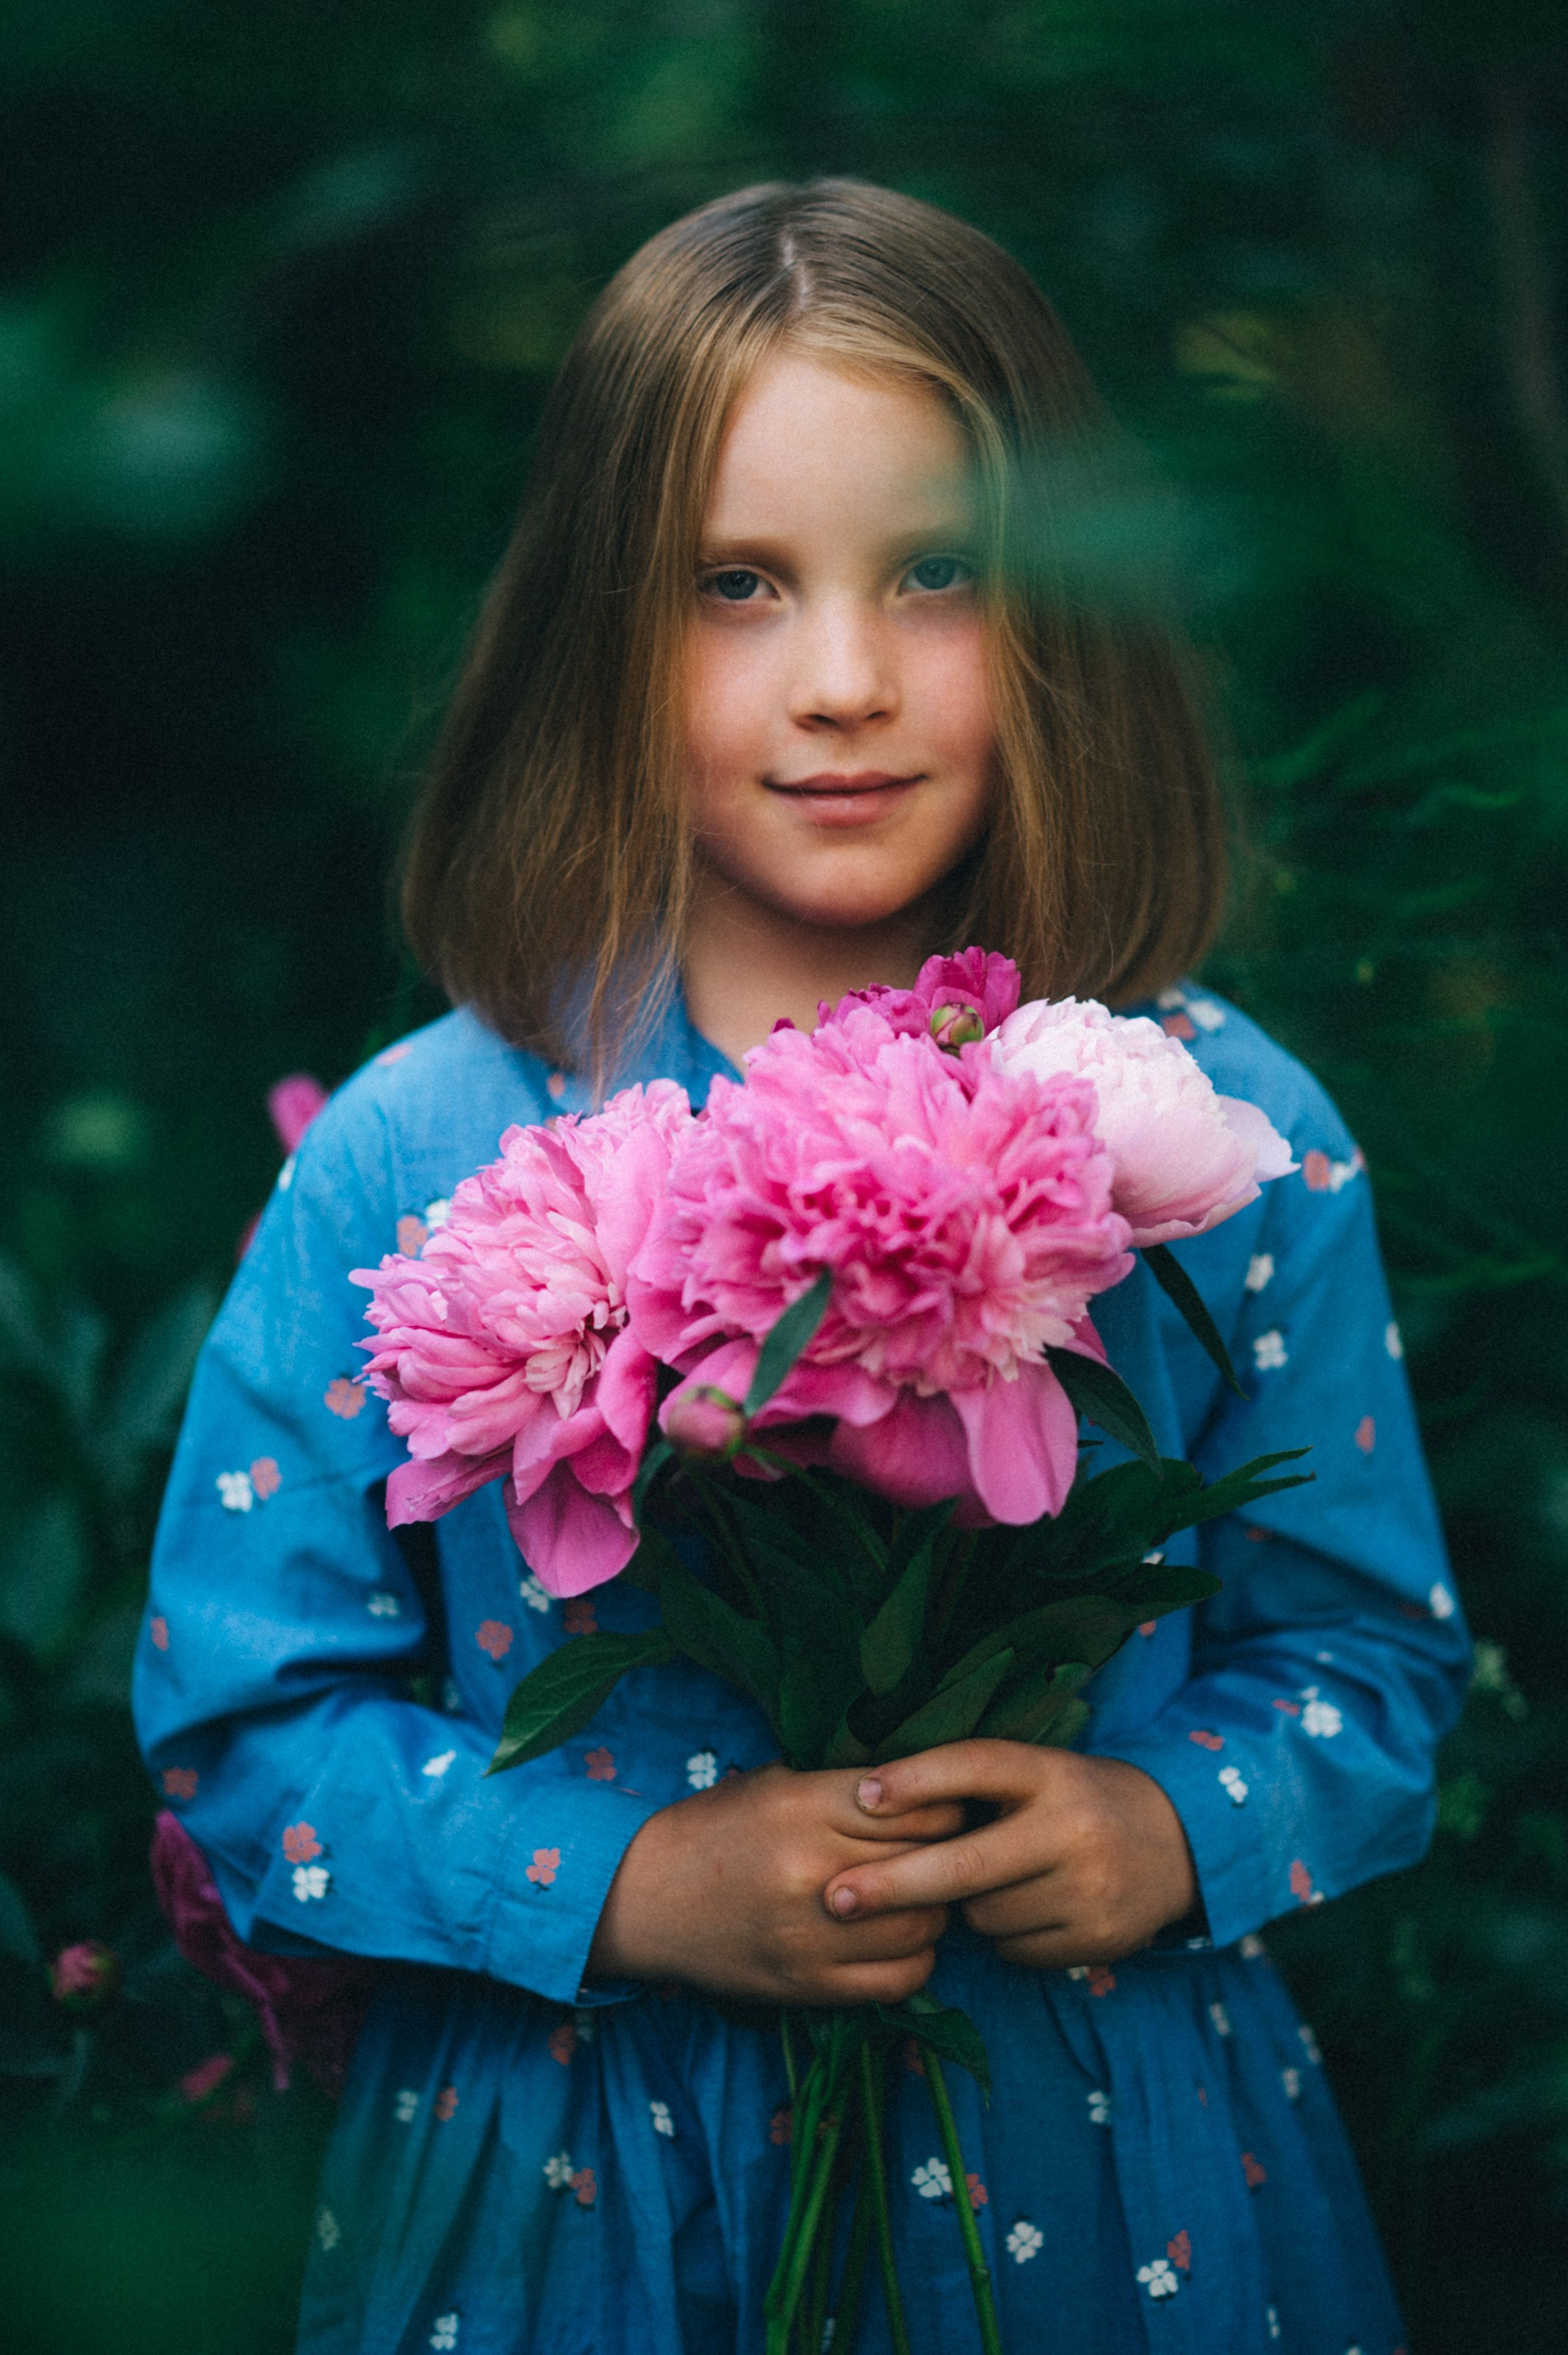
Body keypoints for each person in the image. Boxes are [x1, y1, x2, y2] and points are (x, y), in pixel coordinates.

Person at [134, 180, 1468, 2355]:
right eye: (732, 588)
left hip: (1103, 2163)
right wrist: (626, 1884)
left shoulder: (1211, 1131)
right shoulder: (419, 1150)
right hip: (577, 2187)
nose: (840, 681)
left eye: (933, 574)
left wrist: (1169, 1828)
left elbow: (1370, 1667)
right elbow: (239, 1731)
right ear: (593, 632)